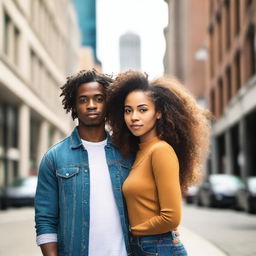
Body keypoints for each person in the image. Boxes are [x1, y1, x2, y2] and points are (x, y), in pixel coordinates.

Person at [106, 70, 210, 256]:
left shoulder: (161, 151)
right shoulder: (138, 152)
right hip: (145, 246)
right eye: (128, 110)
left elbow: (171, 217)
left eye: (142, 109)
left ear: (159, 113)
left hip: (159, 248)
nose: (133, 117)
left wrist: (134, 231)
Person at [34, 69, 134, 256]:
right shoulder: (54, 158)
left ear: (108, 104)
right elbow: (45, 219)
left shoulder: (127, 153)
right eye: (83, 100)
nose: (91, 105)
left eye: (98, 98)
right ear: (73, 106)